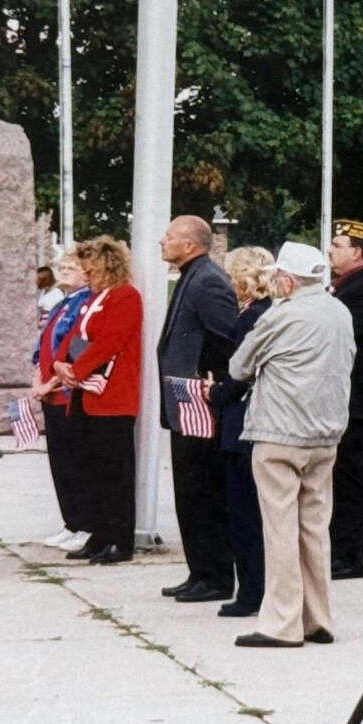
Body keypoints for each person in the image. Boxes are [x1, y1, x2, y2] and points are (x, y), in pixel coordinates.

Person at [226, 241, 355, 648]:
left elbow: (239, 366)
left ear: (287, 280)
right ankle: (318, 618)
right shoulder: (340, 312)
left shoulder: (281, 315)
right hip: (326, 434)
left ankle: (282, 623)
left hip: (280, 432)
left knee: (280, 529)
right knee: (314, 529)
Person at [156, 215, 238, 603]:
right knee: (189, 493)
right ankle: (199, 571)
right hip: (184, 404)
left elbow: (226, 338)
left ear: (190, 245)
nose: (162, 241)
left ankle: (216, 577)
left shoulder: (207, 281)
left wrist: (210, 384)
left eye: (169, 236)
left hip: (201, 406)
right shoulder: (193, 276)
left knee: (204, 492)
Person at [50, 237, 143, 566]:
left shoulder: (126, 296)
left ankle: (120, 539)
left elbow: (109, 341)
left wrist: (75, 369)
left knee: (114, 472)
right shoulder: (93, 298)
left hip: (112, 397)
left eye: (91, 269)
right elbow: (74, 335)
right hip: (85, 394)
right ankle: (100, 535)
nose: (86, 274)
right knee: (92, 470)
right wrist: (60, 363)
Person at [210, 246, 277, 618]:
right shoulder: (270, 311)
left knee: (244, 512)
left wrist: (215, 393)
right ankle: (258, 587)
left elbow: (241, 373)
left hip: (243, 420)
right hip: (258, 418)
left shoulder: (251, 316)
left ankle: (250, 591)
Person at [326, 219, 363, 581]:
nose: (330, 251)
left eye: (337, 245)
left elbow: (343, 333)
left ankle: (351, 556)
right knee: (340, 476)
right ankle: (338, 550)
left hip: (356, 399)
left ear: (357, 252)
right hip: (342, 396)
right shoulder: (343, 286)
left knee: (353, 477)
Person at [31, 252, 92, 552]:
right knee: (60, 462)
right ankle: (71, 522)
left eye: (73, 267)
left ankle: (84, 524)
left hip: (65, 392)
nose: (65, 271)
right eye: (63, 266)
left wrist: (49, 383)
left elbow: (72, 352)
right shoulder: (61, 301)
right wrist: (37, 380)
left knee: (75, 461)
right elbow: (43, 344)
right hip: (49, 392)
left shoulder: (83, 302)